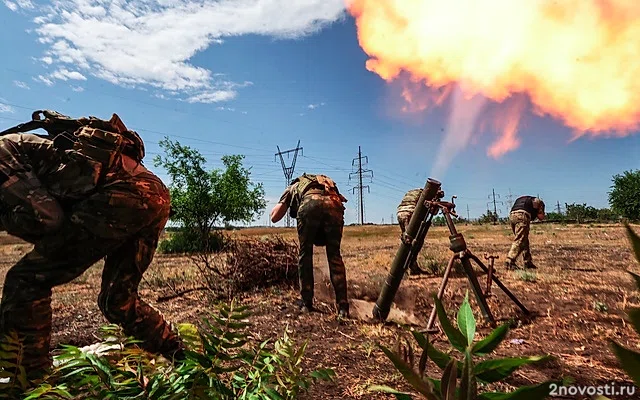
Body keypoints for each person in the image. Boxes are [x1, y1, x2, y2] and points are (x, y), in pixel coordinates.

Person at [0, 111, 185, 382]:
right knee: (117, 301)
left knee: (26, 280)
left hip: (122, 193)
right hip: (153, 191)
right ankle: (183, 358)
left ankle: (30, 383)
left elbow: (46, 218)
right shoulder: (20, 149)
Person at [270, 173, 349, 318]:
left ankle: (306, 303)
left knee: (305, 254)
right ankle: (343, 307)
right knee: (334, 256)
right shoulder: (328, 182)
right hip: (335, 204)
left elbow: (275, 217)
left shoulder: (294, 185)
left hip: (310, 205)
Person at [505, 195, 545, 270]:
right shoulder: (539, 202)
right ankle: (509, 261)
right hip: (522, 215)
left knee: (524, 240)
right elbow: (541, 217)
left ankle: (527, 262)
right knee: (520, 240)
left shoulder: (521, 199)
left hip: (512, 215)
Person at [396, 188, 427, 275]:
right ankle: (408, 266)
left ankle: (409, 266)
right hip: (410, 213)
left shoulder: (411, 192)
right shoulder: (424, 193)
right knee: (416, 240)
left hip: (400, 213)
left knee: (406, 240)